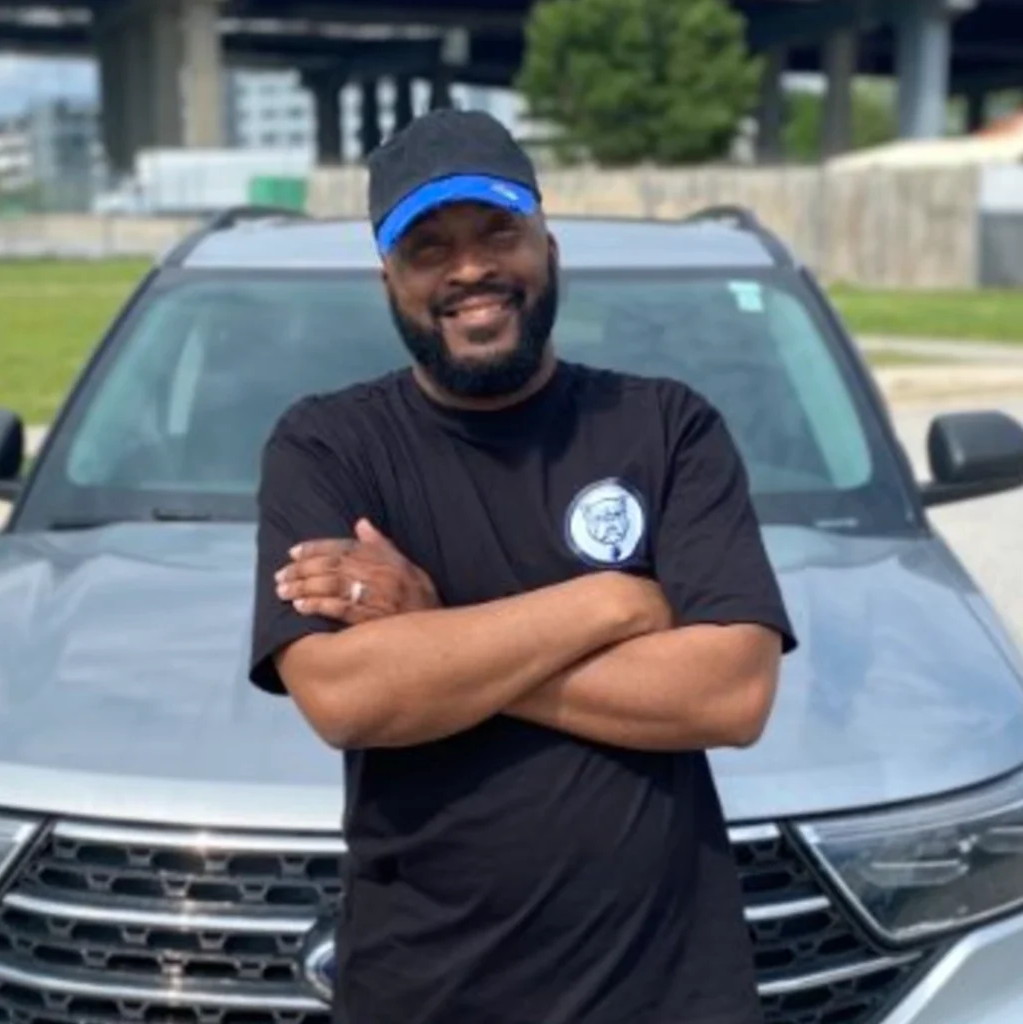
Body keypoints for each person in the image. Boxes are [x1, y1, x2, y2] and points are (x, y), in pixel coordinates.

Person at [248, 108, 798, 1024]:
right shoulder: (326, 446)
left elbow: (730, 695)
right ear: (389, 279)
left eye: (498, 231)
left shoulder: (666, 425)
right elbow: (347, 699)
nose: (470, 269)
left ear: (549, 244)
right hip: (427, 994)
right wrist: (617, 599)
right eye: (429, 248)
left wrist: (429, 632)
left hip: (665, 991)